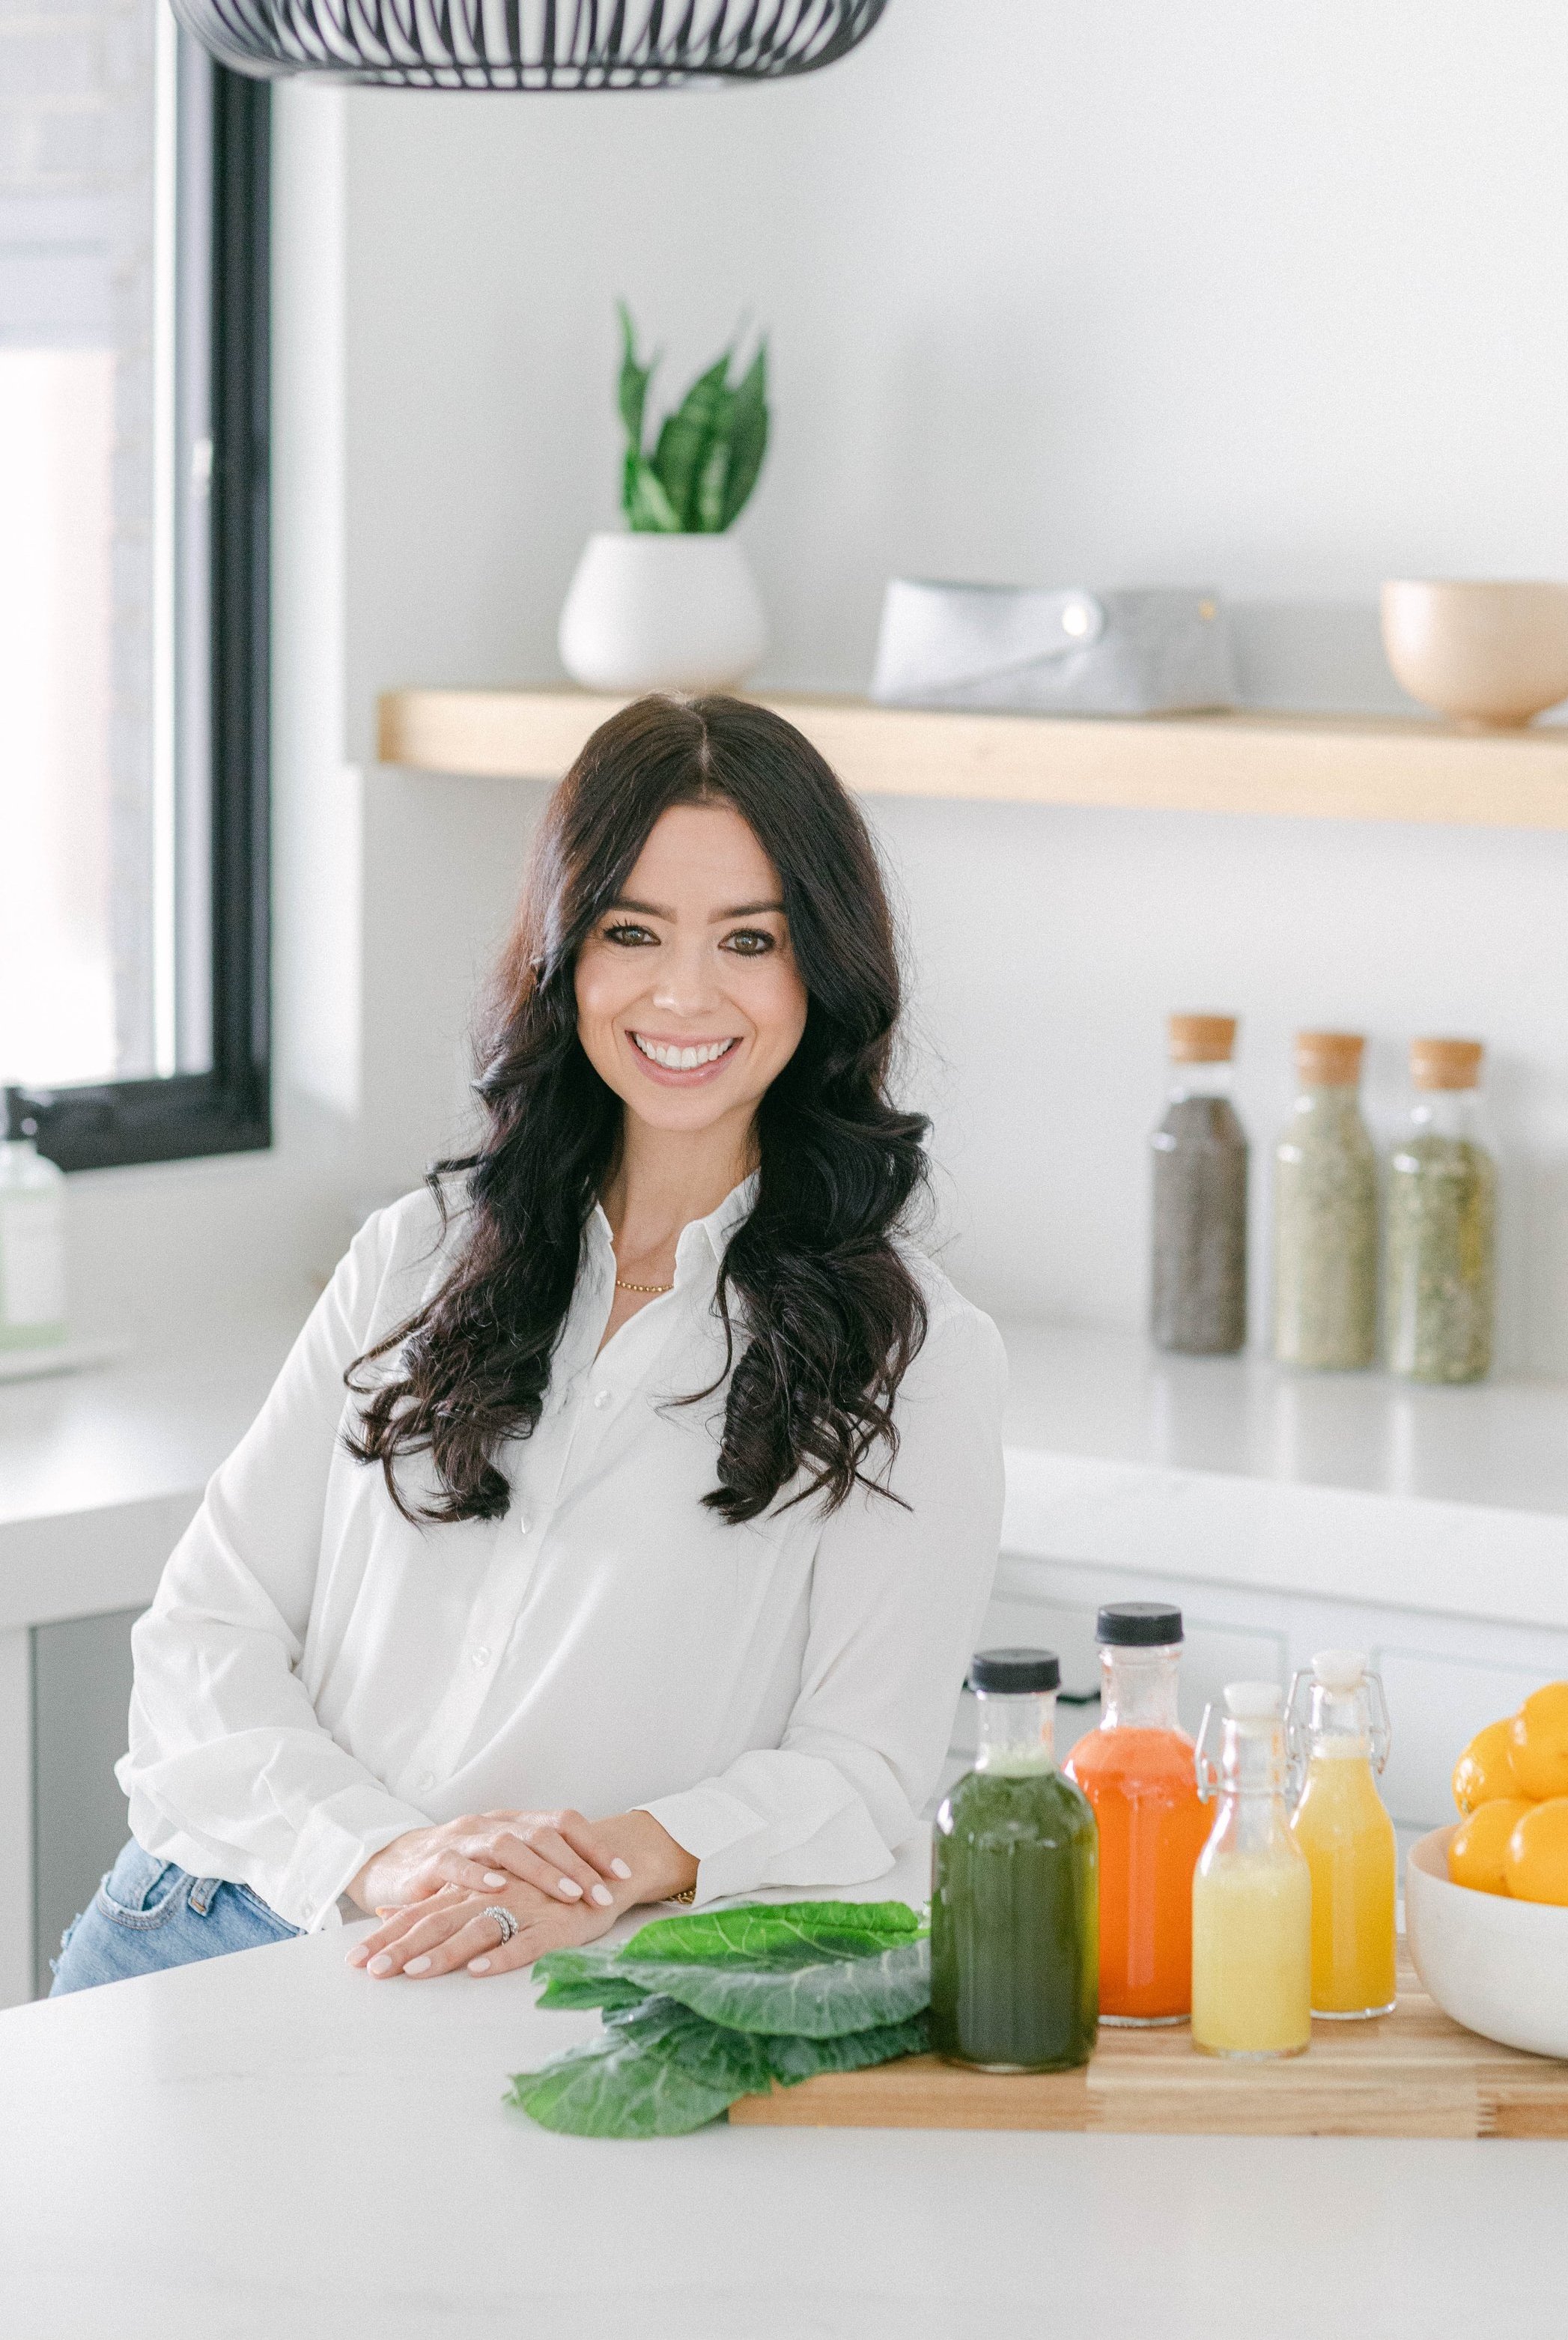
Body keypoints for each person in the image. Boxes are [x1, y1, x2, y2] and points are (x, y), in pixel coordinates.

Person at [52, 696, 1005, 1993]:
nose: (685, 991)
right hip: (203, 1910)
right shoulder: (414, 1256)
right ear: (566, 954)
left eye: (748, 938)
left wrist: (599, 1868)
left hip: (511, 1964)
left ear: (819, 970)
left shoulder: (917, 1356)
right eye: (633, 932)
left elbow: (863, 1768)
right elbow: (201, 1636)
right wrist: (386, 1855)